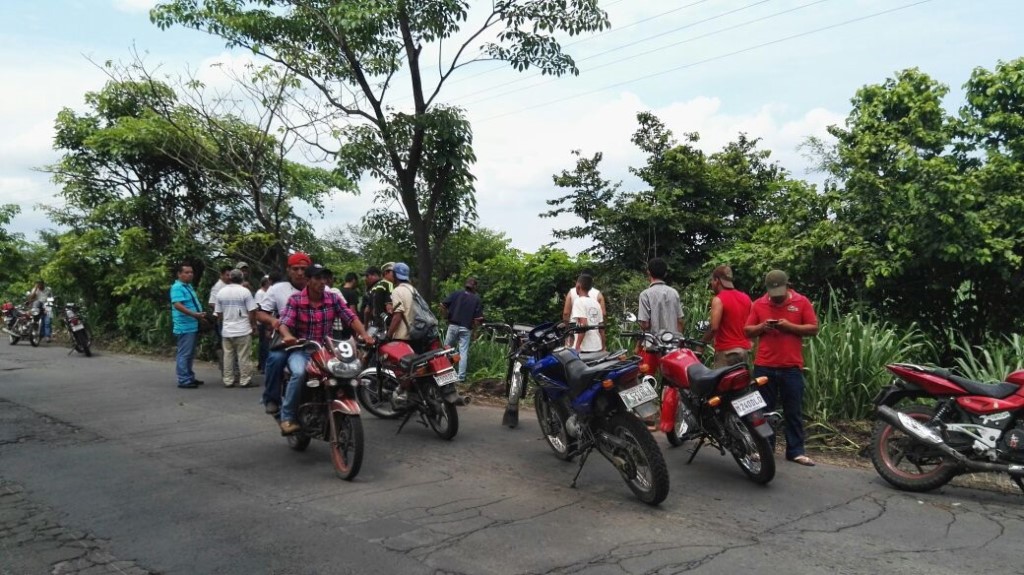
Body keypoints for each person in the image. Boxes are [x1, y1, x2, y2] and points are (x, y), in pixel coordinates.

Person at [275, 264, 373, 435]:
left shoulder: (333, 298)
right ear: (307, 280)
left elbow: (350, 317)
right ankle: (287, 417)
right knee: (298, 373)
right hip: (302, 349)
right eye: (317, 278)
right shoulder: (296, 300)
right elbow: (284, 323)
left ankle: (339, 404)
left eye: (324, 278)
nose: (322, 282)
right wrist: (287, 336)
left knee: (348, 371)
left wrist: (365, 335)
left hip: (326, 349)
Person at [745, 269, 820, 467]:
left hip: (791, 366)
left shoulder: (801, 302)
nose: (776, 299)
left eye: (780, 295)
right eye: (773, 295)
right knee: (763, 411)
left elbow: (813, 328)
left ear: (788, 286)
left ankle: (795, 451)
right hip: (765, 365)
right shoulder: (759, 303)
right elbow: (747, 330)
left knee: (793, 410)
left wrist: (789, 327)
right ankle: (765, 449)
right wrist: (762, 327)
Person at [256, 252, 311, 415]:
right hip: (285, 336)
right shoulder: (277, 289)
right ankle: (272, 398)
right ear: (288, 270)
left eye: (303, 269)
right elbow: (261, 313)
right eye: (296, 269)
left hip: (315, 337)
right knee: (275, 359)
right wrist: (274, 322)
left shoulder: (320, 287)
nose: (300, 273)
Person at [703, 265, 752, 368]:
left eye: (712, 280)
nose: (711, 284)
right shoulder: (746, 298)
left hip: (727, 353)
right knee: (741, 384)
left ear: (717, 280)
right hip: (743, 352)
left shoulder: (718, 299)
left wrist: (701, 344)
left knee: (722, 383)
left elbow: (713, 327)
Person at [215, 269, 258, 388]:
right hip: (243, 329)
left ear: (230, 278)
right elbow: (252, 311)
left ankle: (228, 380)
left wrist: (225, 322)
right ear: (242, 278)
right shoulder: (245, 292)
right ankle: (245, 380)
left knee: (228, 356)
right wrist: (253, 325)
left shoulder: (221, 292)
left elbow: (218, 313)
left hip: (227, 330)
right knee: (243, 356)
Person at [169, 263, 208, 389]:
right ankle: (184, 380)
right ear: (179, 274)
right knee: (184, 353)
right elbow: (177, 305)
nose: (190, 274)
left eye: (191, 272)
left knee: (189, 353)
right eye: (186, 272)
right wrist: (194, 314)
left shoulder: (188, 286)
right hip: (185, 326)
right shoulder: (177, 287)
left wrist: (199, 316)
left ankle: (189, 377)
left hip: (192, 324)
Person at [440, 277, 484, 383]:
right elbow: (478, 319)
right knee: (463, 352)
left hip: (453, 325)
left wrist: (445, 316)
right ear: (475, 287)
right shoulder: (476, 299)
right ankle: (460, 377)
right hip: (466, 328)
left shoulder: (457, 294)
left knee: (446, 349)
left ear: (466, 285)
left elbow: (442, 305)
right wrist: (475, 332)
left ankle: (443, 373)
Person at [638, 258, 684, 336]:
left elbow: (645, 325)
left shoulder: (645, 295)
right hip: (673, 343)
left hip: (654, 344)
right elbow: (680, 321)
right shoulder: (674, 293)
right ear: (665, 274)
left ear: (648, 272)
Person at [571, 274, 604, 352]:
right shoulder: (596, 303)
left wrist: (577, 346)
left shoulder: (579, 301)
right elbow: (601, 327)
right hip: (597, 346)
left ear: (578, 286)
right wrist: (603, 346)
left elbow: (583, 325)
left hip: (585, 348)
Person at [254, 274, 273, 373]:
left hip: (267, 320)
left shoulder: (268, 292)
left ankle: (263, 364)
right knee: (264, 344)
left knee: (266, 344)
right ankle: (263, 365)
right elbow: (259, 307)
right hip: (262, 322)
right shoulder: (260, 293)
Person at [368, 262, 396, 330]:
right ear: (386, 273)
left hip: (374, 323)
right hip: (384, 322)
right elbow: (389, 307)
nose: (396, 276)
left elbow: (367, 310)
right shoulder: (388, 284)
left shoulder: (374, 287)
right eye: (394, 273)